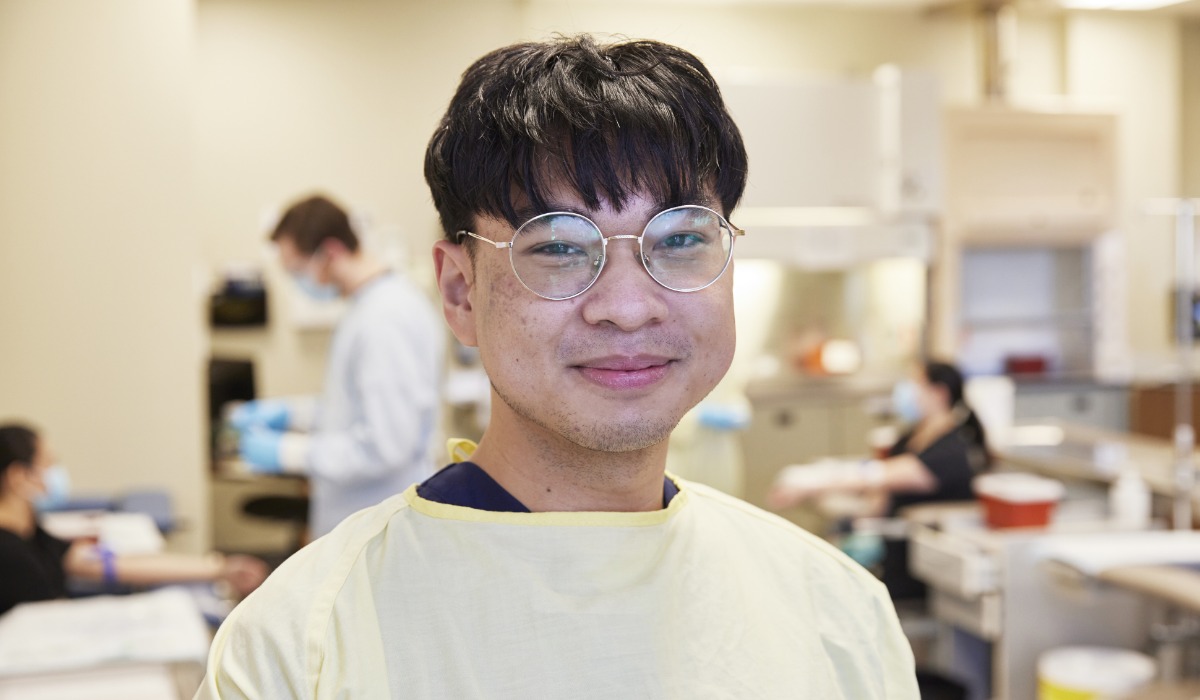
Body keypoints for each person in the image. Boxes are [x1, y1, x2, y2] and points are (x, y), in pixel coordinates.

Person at [196, 35, 918, 699]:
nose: (629, 308)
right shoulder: (298, 646)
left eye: (680, 239)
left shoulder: (837, 613)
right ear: (459, 292)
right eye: (560, 247)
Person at [231, 194, 445, 538]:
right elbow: (351, 409)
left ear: (330, 252)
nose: (297, 283)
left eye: (297, 270)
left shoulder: (386, 318)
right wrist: (291, 415)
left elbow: (384, 447)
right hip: (358, 524)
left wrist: (288, 452)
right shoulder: (365, 307)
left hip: (380, 529)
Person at [769, 360, 991, 601]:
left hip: (912, 557)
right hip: (887, 537)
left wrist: (812, 483)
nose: (907, 391)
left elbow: (881, 475)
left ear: (939, 392)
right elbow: (880, 487)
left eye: (915, 384)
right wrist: (855, 523)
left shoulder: (950, 451)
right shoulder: (913, 436)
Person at [0, 423, 268, 617]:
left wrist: (219, 568)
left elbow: (109, 564)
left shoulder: (31, 534)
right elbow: (51, 627)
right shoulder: (10, 555)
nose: (55, 474)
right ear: (19, 477)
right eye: (48, 464)